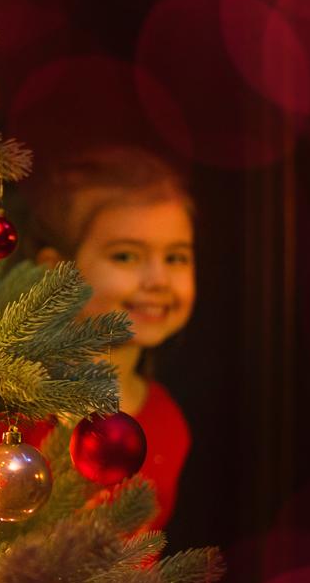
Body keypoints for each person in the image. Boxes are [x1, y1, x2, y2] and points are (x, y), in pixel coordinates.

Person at [32, 146, 196, 529]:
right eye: (126, 256)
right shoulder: (14, 419)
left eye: (176, 258)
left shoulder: (165, 419)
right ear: (59, 274)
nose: (158, 280)